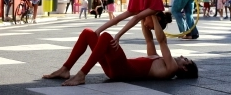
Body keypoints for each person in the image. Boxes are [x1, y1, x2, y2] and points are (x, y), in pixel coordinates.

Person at [42, 13, 197, 86]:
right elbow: (149, 37)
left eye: (186, 59)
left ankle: (82, 74)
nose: (183, 56)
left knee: (107, 37)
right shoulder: (158, 60)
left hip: (122, 70)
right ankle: (65, 69)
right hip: (115, 68)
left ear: (184, 68)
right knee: (88, 33)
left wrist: (154, 14)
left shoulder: (170, 68)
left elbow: (162, 40)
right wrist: (149, 13)